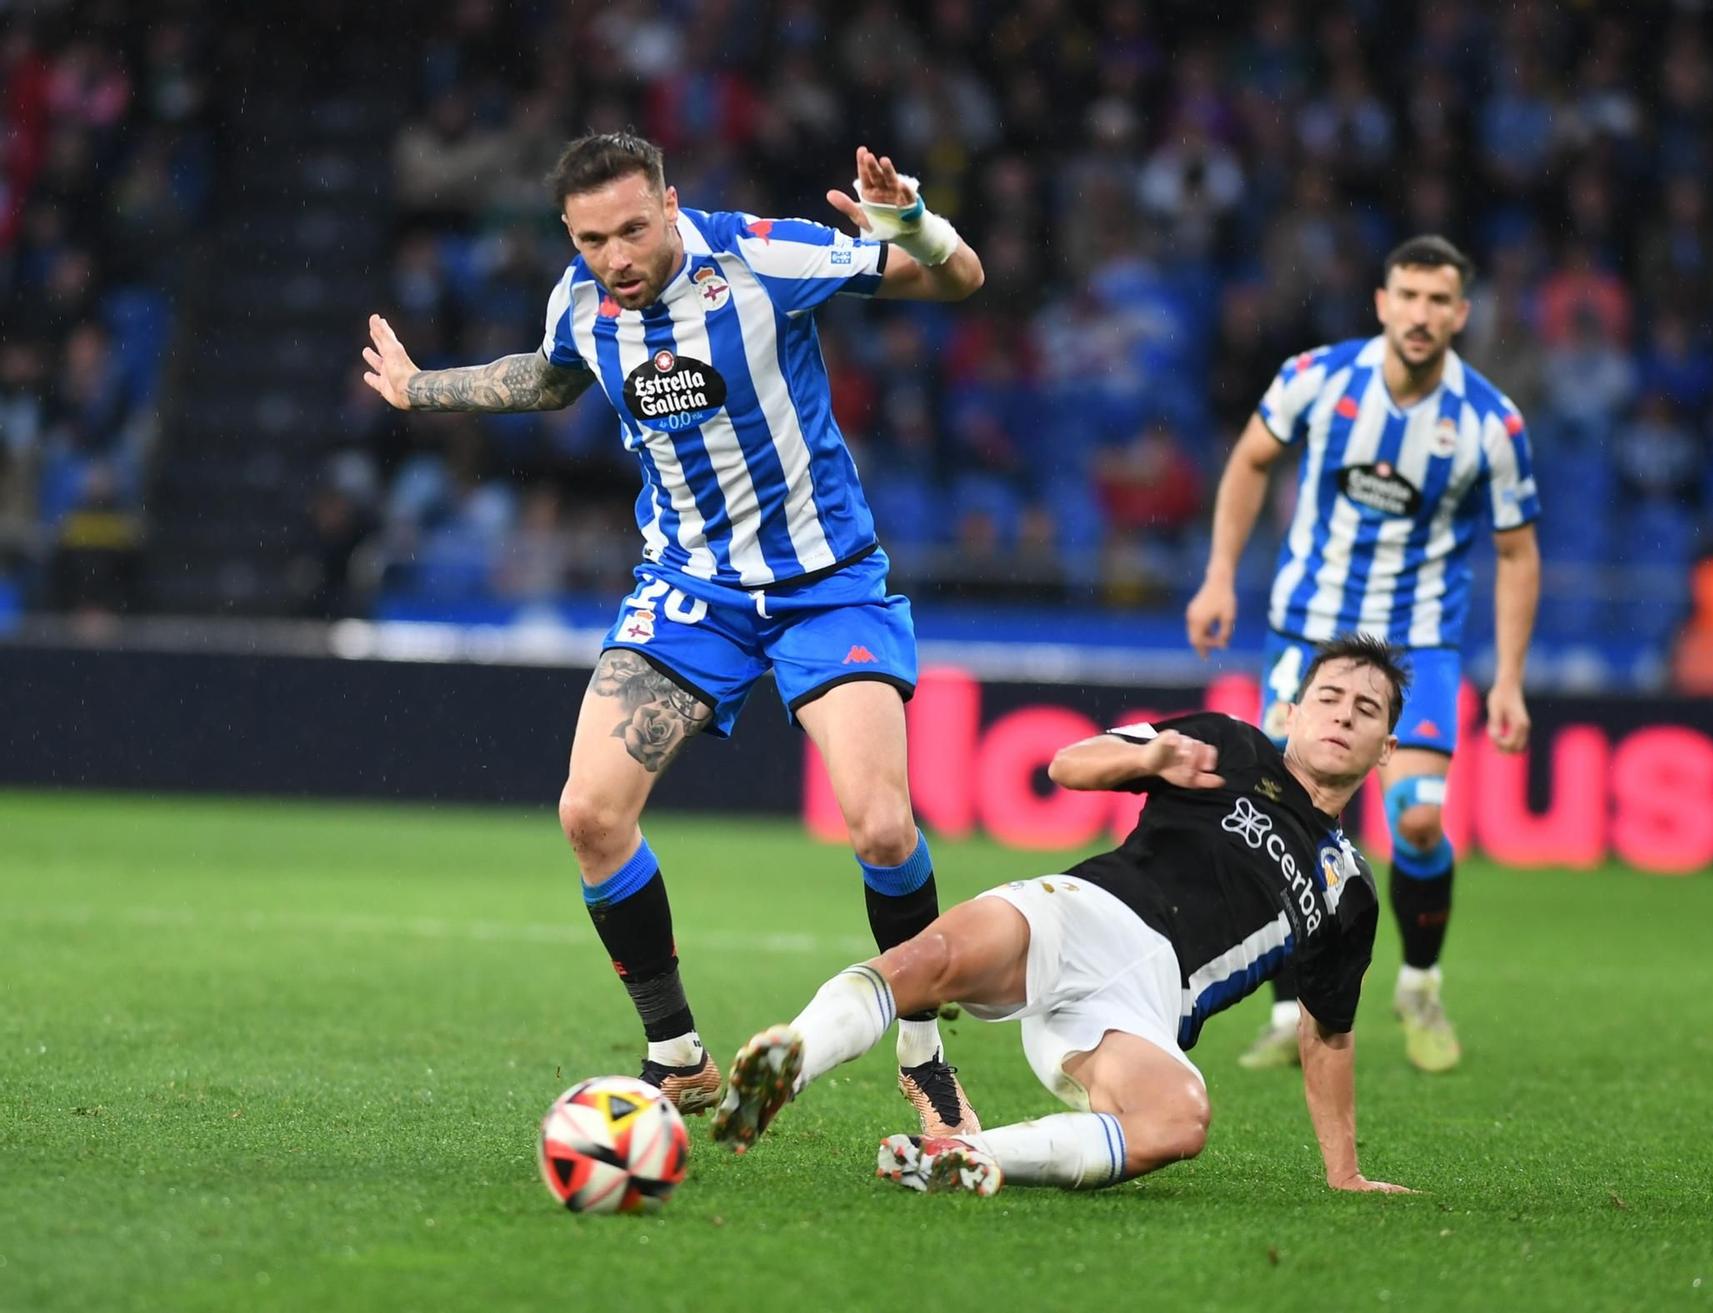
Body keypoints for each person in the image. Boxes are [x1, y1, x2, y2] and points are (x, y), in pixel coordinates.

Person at [359, 133, 986, 1135]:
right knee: (588, 814)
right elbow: (548, 378)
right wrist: (420, 387)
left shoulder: (762, 257)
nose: (616, 257)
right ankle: (678, 1057)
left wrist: (910, 220)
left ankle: (923, 1055)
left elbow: (958, 279)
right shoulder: (579, 302)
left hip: (826, 586)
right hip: (691, 593)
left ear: (671, 205)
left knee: (880, 826)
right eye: (591, 240)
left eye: (633, 230)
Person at [712, 635, 1412, 1197]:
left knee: (1179, 1119)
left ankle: (967, 1155)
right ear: (1292, 711)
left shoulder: (1350, 888)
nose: (1343, 715)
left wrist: (1344, 1172)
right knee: (928, 961)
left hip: (1144, 1008)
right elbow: (1069, 765)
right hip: (1082, 913)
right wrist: (1151, 755)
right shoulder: (1231, 744)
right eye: (1329, 697)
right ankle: (788, 1063)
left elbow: (1328, 1033)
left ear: (1385, 748)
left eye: (1366, 708)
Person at [1184, 235, 1541, 1074]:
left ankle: (1419, 984)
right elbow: (1250, 460)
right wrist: (1219, 574)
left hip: (1417, 641)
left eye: (1438, 300)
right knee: (1279, 810)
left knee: (1416, 817)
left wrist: (1510, 678)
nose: (1421, 314)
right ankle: (1285, 1012)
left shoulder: (1490, 422)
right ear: (1383, 302)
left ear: (1461, 313)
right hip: (1309, 629)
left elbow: (1518, 551)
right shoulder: (1317, 377)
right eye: (1407, 295)